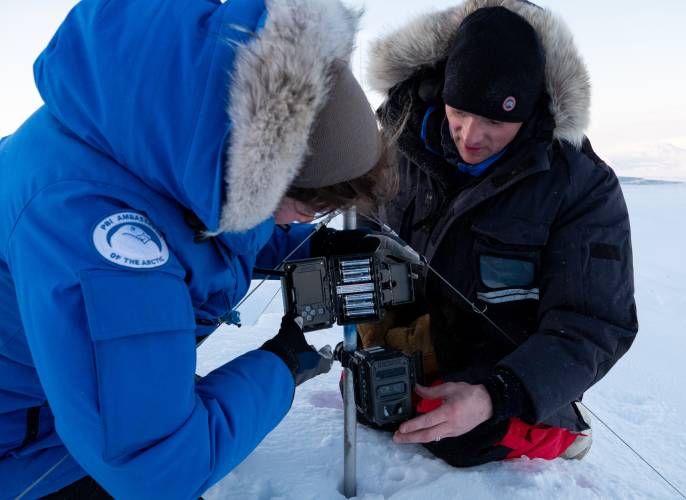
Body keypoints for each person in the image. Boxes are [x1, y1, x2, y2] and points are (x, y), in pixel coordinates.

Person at [0, 0, 394, 498]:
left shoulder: (178, 134)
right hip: (28, 450)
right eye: (303, 211)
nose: (300, 221)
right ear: (267, 175)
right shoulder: (98, 242)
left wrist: (314, 244)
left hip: (73, 402)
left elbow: (200, 225)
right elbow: (155, 470)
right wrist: (281, 366)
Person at [357, 1, 639, 467]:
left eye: (495, 121)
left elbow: (596, 323)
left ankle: (558, 433)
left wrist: (496, 394)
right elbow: (363, 234)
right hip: (414, 338)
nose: (470, 135)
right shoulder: (396, 141)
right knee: (372, 401)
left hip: (501, 363)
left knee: (460, 440)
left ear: (529, 112)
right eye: (459, 111)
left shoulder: (582, 185)